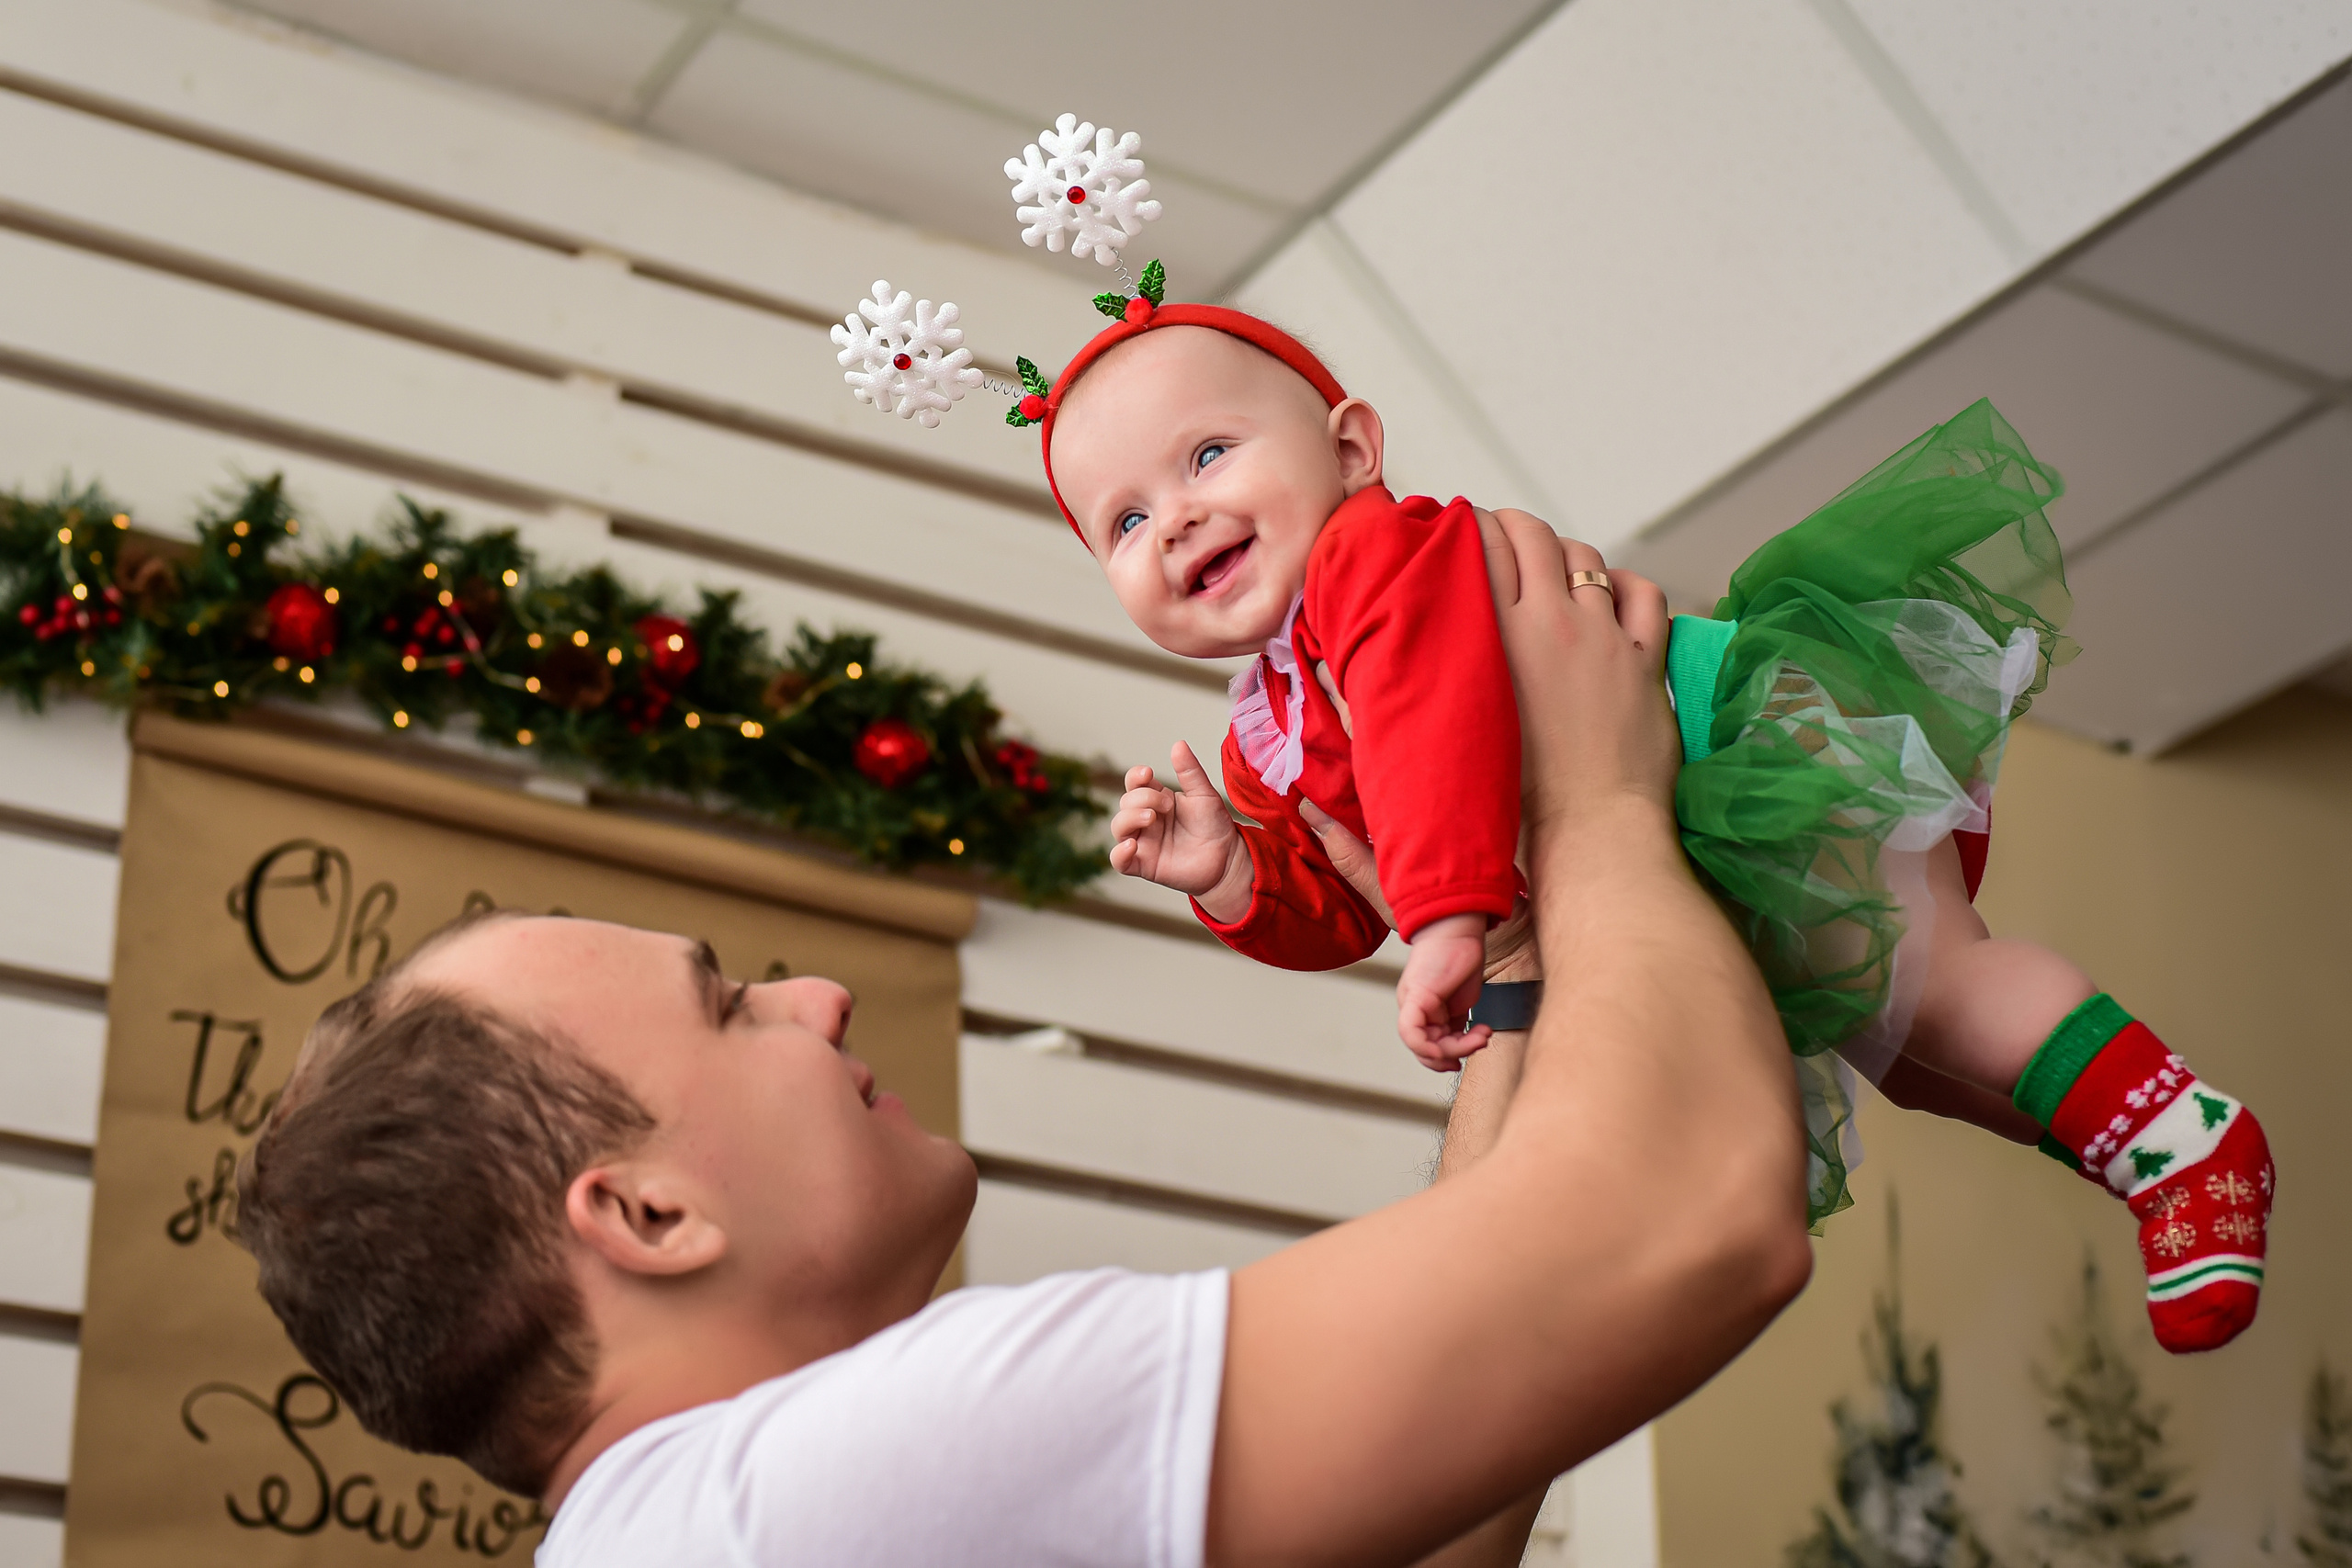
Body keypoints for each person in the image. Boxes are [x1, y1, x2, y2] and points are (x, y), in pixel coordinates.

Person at [236, 512, 1815, 1567]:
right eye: (728, 1006)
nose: (818, 998)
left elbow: (1439, 1501)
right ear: (647, 1217)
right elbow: (1692, 1220)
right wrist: (1600, 800)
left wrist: (1526, 963)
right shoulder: (834, 1485)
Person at [1040, 295, 2272, 1352]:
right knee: (1911, 1057)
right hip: (1663, 839)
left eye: (1206, 457)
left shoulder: (1375, 560)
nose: (1180, 518)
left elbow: (1431, 718)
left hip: (1735, 749)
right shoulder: (1278, 707)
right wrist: (1235, 873)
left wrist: (1446, 919)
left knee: (1937, 991)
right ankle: (2138, 1143)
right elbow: (1341, 898)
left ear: (1353, 448)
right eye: (1127, 522)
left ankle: (2188, 1139)